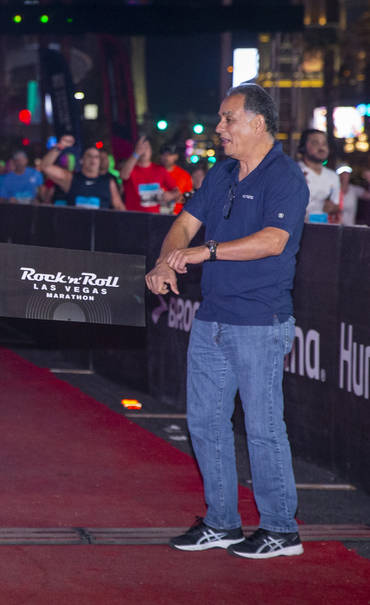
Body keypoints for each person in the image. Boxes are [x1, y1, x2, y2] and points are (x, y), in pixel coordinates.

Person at [145, 83, 308, 559]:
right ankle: (222, 521)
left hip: (259, 319)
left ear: (258, 124)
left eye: (227, 119)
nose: (219, 129)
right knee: (206, 423)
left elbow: (274, 240)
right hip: (212, 316)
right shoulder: (221, 173)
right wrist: (165, 260)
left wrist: (204, 252)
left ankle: (281, 530)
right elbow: (183, 223)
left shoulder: (285, 178)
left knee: (262, 427)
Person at [41, 135, 125, 210]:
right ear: (81, 160)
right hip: (75, 226)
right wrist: (60, 146)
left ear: (99, 161)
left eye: (96, 157)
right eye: (89, 156)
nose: (93, 160)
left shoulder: (108, 182)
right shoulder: (71, 178)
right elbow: (45, 167)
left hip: (100, 226)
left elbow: (119, 206)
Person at [119, 136, 179, 213]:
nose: (143, 150)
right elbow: (123, 175)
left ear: (151, 151)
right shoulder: (130, 168)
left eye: (146, 147)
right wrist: (136, 153)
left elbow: (177, 191)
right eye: (141, 147)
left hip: (154, 217)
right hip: (133, 216)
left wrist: (171, 195)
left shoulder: (160, 170)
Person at [296, 129, 340, 223]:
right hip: (297, 229)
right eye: (315, 143)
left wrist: (332, 207)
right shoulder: (294, 172)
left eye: (324, 144)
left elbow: (336, 205)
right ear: (303, 147)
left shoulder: (332, 176)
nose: (321, 148)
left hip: (322, 229)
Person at [159, 143, 193, 214]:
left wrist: (179, 197)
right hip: (155, 213)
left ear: (176, 156)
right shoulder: (153, 172)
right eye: (163, 154)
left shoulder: (184, 175)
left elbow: (189, 196)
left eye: (169, 155)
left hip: (176, 215)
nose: (166, 157)